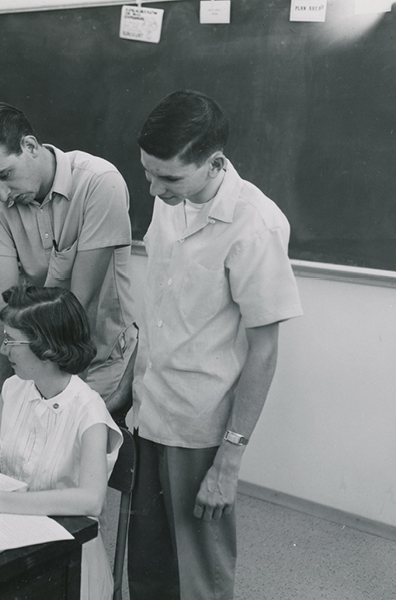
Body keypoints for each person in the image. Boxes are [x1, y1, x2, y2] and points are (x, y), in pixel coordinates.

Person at [127, 90, 303, 600]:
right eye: (148, 173)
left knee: (200, 577)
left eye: (170, 178)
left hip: (201, 428)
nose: (156, 189)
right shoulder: (171, 199)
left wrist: (230, 461)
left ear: (215, 163)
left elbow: (265, 352)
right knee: (148, 570)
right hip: (149, 410)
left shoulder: (256, 224)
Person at [0, 285, 123, 600]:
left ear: (46, 347)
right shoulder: (14, 388)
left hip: (67, 554)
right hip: (16, 532)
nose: (2, 350)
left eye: (10, 340)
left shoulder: (88, 409)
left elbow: (90, 500)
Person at [0, 102, 137, 419]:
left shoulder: (99, 182)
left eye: (5, 175)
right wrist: (0, 395)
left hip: (101, 362)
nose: (1, 195)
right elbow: (3, 309)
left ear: (30, 146)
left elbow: (76, 306)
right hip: (38, 362)